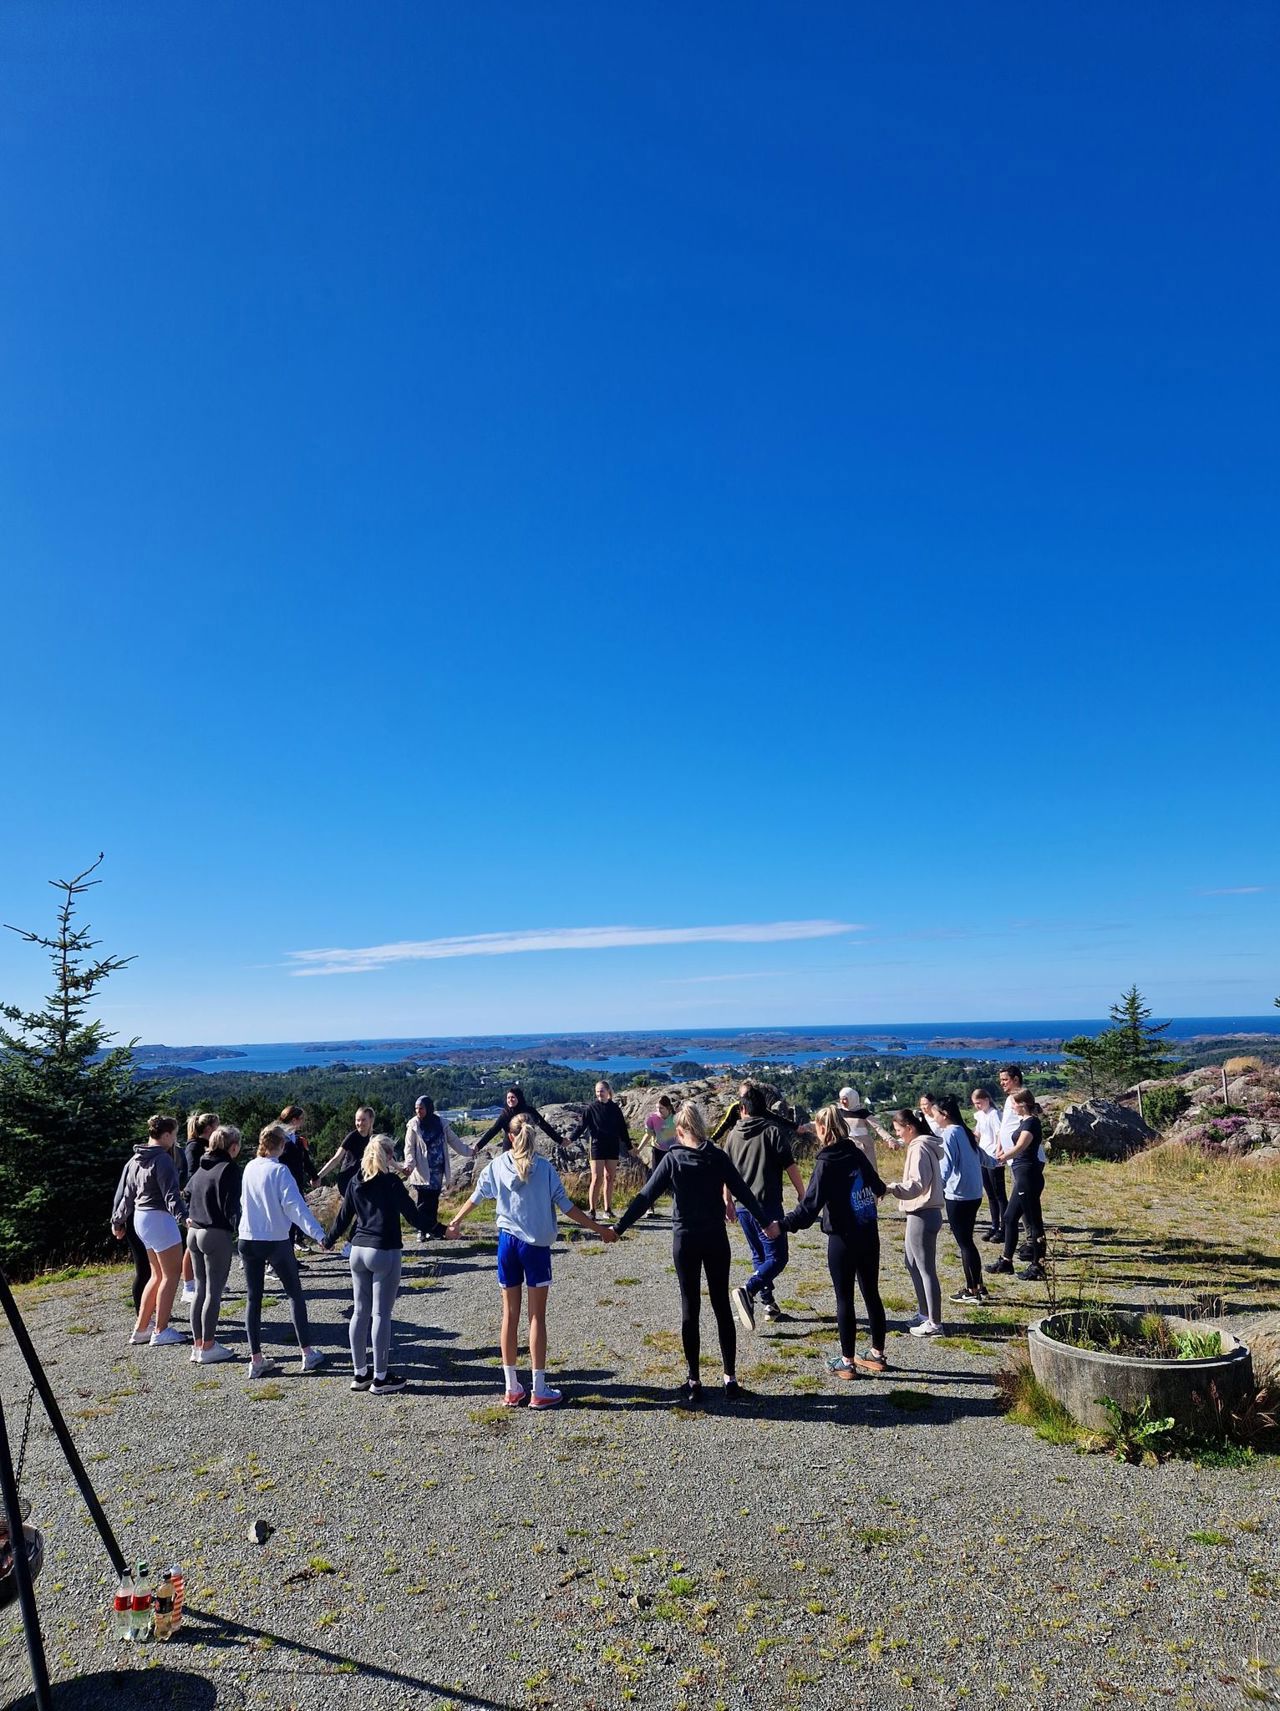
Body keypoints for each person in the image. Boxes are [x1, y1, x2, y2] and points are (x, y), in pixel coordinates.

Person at [614, 1102, 776, 1408]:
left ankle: (694, 1381)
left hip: (685, 1240)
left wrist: (619, 1227)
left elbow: (645, 1196)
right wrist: (766, 1223)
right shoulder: (716, 1156)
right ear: (700, 1127)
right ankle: (730, 1379)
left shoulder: (672, 1159)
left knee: (691, 1308)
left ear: (679, 1131)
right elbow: (743, 1191)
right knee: (721, 1307)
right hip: (715, 1238)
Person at [446, 1114, 614, 1408]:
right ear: (534, 1138)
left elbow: (475, 1197)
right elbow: (567, 1207)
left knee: (509, 1316)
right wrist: (600, 1230)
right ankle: (538, 1388)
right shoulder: (545, 1169)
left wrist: (455, 1221)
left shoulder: (497, 1166)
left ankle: (512, 1387)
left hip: (507, 1246)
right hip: (535, 1247)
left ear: (509, 1137)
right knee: (537, 1317)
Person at [780, 1106, 888, 1379]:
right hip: (867, 1230)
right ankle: (877, 1353)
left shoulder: (826, 1162)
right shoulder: (856, 1152)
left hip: (842, 1236)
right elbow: (877, 1185)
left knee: (844, 1298)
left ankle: (847, 1361)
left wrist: (783, 1225)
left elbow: (808, 1208)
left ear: (822, 1129)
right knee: (871, 1292)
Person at [324, 1135, 433, 1394]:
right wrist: (441, 1229)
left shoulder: (354, 1182)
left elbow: (342, 1219)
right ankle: (381, 1378)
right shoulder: (391, 1183)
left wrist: (328, 1240)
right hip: (384, 1251)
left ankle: (360, 1373)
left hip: (358, 1251)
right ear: (387, 1157)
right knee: (381, 1314)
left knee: (360, 1312)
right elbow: (415, 1217)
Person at [239, 1123, 328, 1379]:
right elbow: (296, 1208)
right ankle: (307, 1352)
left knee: (254, 1298)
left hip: (248, 1237)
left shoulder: (249, 1167)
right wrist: (319, 1235)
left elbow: (244, 1202)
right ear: (279, 1146)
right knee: (294, 1294)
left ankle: (256, 1359)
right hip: (275, 1239)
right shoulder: (281, 1171)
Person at [721, 1084, 806, 1330]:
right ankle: (748, 1290)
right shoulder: (772, 1131)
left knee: (759, 1255)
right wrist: (802, 1194)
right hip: (767, 1205)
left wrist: (727, 1201)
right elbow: (790, 1166)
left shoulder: (733, 1135)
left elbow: (726, 1172)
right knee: (778, 1257)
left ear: (743, 1109)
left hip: (743, 1207)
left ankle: (768, 1304)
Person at [110, 1114, 188, 1348]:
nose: (175, 1140)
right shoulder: (163, 1159)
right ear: (165, 1136)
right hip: (159, 1220)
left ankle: (141, 1328)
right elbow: (171, 1194)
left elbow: (127, 1195)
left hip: (141, 1220)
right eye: (174, 1135)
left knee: (156, 1275)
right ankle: (161, 1330)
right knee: (171, 1274)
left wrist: (117, 1221)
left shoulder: (136, 1159)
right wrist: (184, 1218)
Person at [884, 1109, 945, 1336]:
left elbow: (917, 1184)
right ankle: (924, 1314)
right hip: (920, 1212)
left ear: (910, 1127)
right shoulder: (921, 1145)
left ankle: (935, 1323)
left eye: (899, 1131)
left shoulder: (919, 1147)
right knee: (911, 1263)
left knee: (925, 1268)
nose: (898, 1135)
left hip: (923, 1212)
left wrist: (891, 1188)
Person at [185, 1123, 242, 1363]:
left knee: (199, 1289)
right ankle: (208, 1346)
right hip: (215, 1233)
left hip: (194, 1231)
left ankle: (197, 1345)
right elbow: (232, 1207)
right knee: (214, 1292)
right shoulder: (228, 1169)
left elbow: (186, 1193)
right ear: (233, 1147)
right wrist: (241, 1232)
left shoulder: (201, 1166)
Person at [988, 1090, 1047, 1282]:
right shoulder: (1024, 1122)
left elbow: (1022, 1145)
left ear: (1022, 1104)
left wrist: (1004, 1156)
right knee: (1009, 1217)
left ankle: (1038, 1266)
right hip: (1022, 1175)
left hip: (1028, 1176)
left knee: (1034, 1221)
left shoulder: (1031, 1122)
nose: (1012, 1107)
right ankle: (1006, 1261)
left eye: (1014, 1104)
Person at [934, 1095, 987, 1303]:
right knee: (969, 1242)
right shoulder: (964, 1131)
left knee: (965, 1243)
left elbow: (946, 1166)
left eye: (935, 1113)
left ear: (944, 1115)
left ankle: (972, 1290)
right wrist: (1000, 1160)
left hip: (959, 1196)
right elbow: (982, 1156)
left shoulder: (949, 1133)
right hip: (974, 1194)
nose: (933, 1116)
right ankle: (979, 1286)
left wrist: (936, 1188)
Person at [404, 1095, 474, 1239]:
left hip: (437, 1171)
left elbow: (454, 1141)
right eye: (416, 1108)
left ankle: (432, 1229)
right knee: (423, 1202)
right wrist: (409, 1165)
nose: (418, 1111)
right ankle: (422, 1231)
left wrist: (469, 1152)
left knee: (433, 1201)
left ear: (429, 1108)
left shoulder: (441, 1124)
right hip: (422, 1171)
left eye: (421, 1108)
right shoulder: (413, 1125)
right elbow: (409, 1148)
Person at [567, 1081, 634, 1221]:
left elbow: (622, 1129)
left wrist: (629, 1146)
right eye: (597, 1091)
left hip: (612, 1146)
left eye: (602, 1090)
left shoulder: (615, 1108)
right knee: (597, 1178)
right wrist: (570, 1139)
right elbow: (581, 1126)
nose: (599, 1093)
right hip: (597, 1146)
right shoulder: (591, 1108)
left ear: (608, 1091)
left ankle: (608, 1209)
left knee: (609, 1178)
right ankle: (592, 1211)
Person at [179, 1112, 220, 1302]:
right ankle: (188, 1284)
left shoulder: (206, 1146)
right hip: (195, 1199)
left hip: (207, 1197)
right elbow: (192, 1173)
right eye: (217, 1126)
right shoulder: (194, 1147)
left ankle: (207, 1282)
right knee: (192, 1243)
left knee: (206, 1241)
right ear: (209, 1128)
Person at [473, 1085, 564, 1156]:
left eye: (513, 1097)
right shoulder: (505, 1114)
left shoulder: (529, 1111)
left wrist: (560, 1140)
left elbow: (544, 1126)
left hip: (526, 1145)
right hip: (509, 1147)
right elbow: (493, 1131)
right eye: (508, 1098)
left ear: (519, 1098)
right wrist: (478, 1146)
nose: (510, 1100)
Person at [709, 1080, 800, 1146]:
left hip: (755, 1141)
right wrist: (712, 1140)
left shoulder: (758, 1107)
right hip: (738, 1140)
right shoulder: (735, 1108)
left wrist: (796, 1127)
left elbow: (776, 1118)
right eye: (744, 1095)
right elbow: (724, 1125)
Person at [971, 1086, 1008, 1241]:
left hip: (993, 1156)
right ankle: (994, 1225)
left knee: (999, 1193)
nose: (977, 1106)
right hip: (983, 1155)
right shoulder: (981, 1115)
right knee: (990, 1194)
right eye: (975, 1103)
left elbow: (1000, 1133)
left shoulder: (994, 1114)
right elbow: (978, 1132)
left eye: (979, 1102)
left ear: (986, 1100)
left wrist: (999, 1150)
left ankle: (1004, 1228)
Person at [317, 1106, 376, 1200]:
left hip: (363, 1178)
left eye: (363, 1120)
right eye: (358, 1120)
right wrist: (318, 1176)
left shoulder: (374, 1138)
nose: (360, 1123)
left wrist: (401, 1169)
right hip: (348, 1180)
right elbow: (336, 1159)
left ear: (371, 1120)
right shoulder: (352, 1137)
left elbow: (385, 1157)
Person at [643, 1094, 678, 1165]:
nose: (658, 1110)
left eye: (661, 1108)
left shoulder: (676, 1118)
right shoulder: (652, 1118)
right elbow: (648, 1134)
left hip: (673, 1151)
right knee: (656, 1174)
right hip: (657, 1151)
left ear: (668, 1108)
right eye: (657, 1108)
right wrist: (638, 1150)